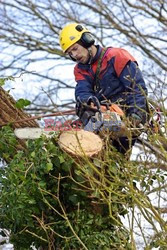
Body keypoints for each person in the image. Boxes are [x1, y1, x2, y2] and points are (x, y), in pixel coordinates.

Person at [59, 23, 148, 155]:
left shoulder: (116, 56)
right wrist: (88, 102)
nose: (75, 55)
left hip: (127, 112)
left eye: (76, 49)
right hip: (103, 114)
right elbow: (82, 90)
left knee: (116, 155)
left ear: (86, 40)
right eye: (70, 53)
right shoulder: (80, 69)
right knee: (73, 132)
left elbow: (136, 88)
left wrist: (135, 115)